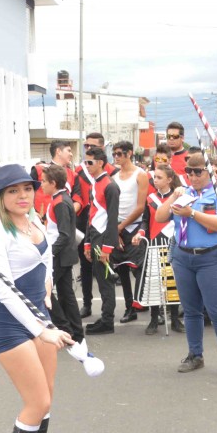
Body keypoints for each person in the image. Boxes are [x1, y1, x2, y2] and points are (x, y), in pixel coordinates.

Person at [0, 164, 75, 433]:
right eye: (12, 191)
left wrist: (47, 289)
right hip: (8, 322)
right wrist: (42, 330)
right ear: (0, 198)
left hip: (39, 316)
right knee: (36, 401)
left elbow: (46, 259)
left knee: (46, 399)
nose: (22, 196)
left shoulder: (36, 222)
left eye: (26, 189)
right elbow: (5, 293)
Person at [157, 153, 217, 380]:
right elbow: (159, 217)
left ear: (210, 172)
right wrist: (172, 198)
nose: (193, 176)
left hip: (211, 257)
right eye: (189, 172)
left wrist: (192, 213)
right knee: (191, 310)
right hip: (183, 256)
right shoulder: (183, 193)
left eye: (198, 172)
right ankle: (195, 354)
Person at [132, 163, 184, 335]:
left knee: (173, 282)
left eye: (159, 177)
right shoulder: (150, 198)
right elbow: (145, 220)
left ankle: (175, 319)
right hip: (154, 241)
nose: (155, 180)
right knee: (154, 281)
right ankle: (154, 319)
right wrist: (140, 233)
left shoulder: (179, 196)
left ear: (170, 179)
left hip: (173, 241)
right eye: (155, 177)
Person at [40, 165, 83, 344]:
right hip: (64, 254)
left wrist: (50, 253)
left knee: (45, 292)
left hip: (59, 254)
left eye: (43, 181)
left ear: (53, 183)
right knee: (66, 294)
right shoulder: (61, 199)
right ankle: (75, 332)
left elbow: (64, 234)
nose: (41, 185)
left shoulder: (60, 202)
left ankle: (65, 328)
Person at [71, 132, 111, 318]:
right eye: (86, 146)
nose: (88, 149)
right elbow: (75, 193)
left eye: (92, 146)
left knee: (106, 269)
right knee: (85, 266)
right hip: (84, 221)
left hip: (104, 223)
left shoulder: (110, 172)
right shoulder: (79, 171)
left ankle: (110, 311)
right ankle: (87, 304)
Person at [81, 148, 120, 335]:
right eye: (85, 162)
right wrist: (87, 243)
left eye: (90, 163)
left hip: (104, 238)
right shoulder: (95, 183)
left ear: (100, 163)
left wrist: (107, 248)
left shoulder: (110, 186)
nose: (86, 166)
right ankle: (105, 317)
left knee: (106, 281)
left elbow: (113, 220)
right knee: (101, 280)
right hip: (95, 236)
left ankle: (108, 321)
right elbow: (91, 214)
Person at [111, 140, 148, 323]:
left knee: (139, 269)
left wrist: (121, 226)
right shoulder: (114, 176)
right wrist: (116, 230)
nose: (116, 157)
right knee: (122, 270)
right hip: (118, 227)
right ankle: (129, 308)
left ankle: (140, 302)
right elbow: (113, 205)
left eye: (119, 153)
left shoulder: (141, 175)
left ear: (129, 153)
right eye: (114, 154)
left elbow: (141, 207)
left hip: (134, 227)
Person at [31, 140, 74, 215]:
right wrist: (31, 212)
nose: (71, 154)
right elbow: (27, 191)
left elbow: (77, 200)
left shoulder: (73, 175)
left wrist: (65, 212)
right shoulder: (39, 170)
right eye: (69, 150)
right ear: (58, 151)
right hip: (40, 218)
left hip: (63, 217)